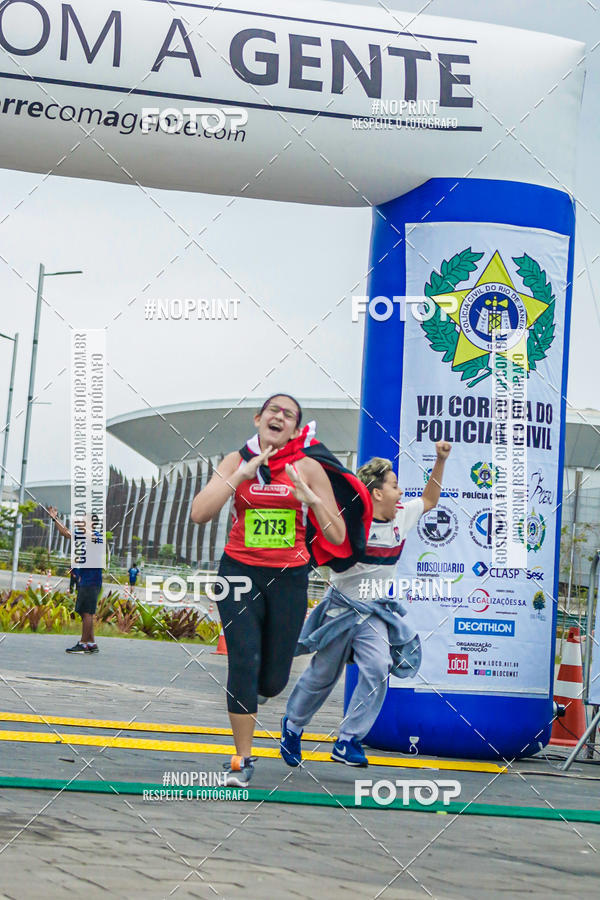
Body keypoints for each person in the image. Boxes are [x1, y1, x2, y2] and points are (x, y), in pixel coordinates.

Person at [190, 394, 349, 787]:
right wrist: (239, 476)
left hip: (289, 577)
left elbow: (338, 535)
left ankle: (259, 693)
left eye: (289, 415)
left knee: (273, 680)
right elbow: (199, 513)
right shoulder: (237, 460)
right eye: (273, 411)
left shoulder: (307, 467)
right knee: (242, 661)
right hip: (239, 572)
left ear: (296, 429)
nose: (279, 416)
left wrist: (312, 501)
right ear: (258, 418)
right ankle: (242, 761)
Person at [280, 441, 452, 769]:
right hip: (340, 608)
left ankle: (348, 740)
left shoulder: (403, 516)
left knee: (377, 668)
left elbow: (429, 499)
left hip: (374, 612)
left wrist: (440, 460)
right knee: (322, 675)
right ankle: (292, 726)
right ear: (376, 493)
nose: (401, 492)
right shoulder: (352, 521)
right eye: (394, 485)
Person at [48, 506, 102, 654]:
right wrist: (55, 519)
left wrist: (82, 525)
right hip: (85, 580)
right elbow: (66, 533)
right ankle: (91, 643)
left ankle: (83, 643)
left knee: (87, 612)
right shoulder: (84, 535)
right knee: (84, 612)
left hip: (92, 580)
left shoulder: (97, 537)